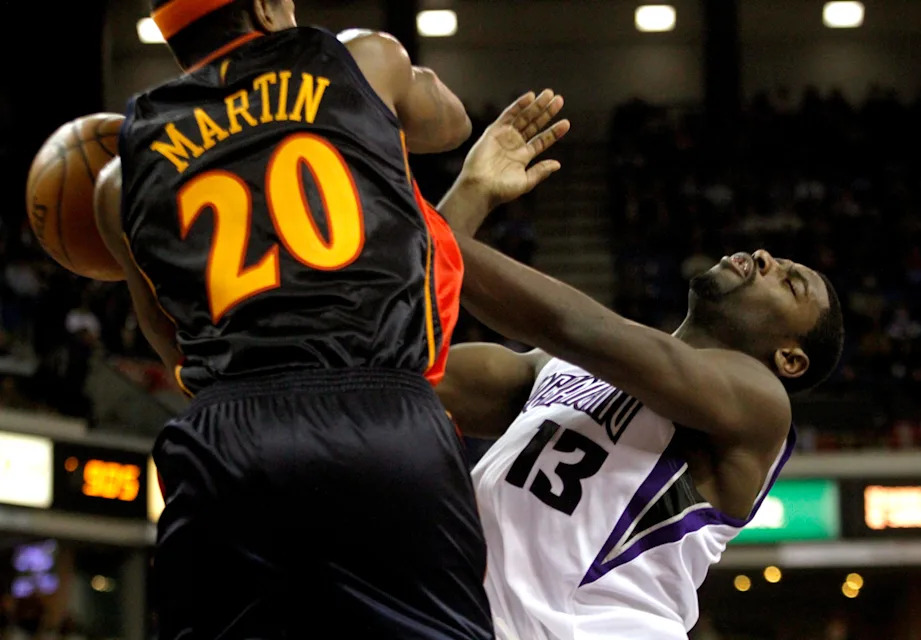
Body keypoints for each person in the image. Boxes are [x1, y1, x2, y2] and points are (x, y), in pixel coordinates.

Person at [92, 0, 569, 637]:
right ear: (265, 7)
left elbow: (174, 348)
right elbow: (448, 125)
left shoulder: (117, 178)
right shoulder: (362, 57)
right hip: (382, 423)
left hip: (225, 438)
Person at [435, 177, 844, 638]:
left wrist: (422, 225)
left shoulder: (761, 403)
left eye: (789, 283)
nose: (766, 257)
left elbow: (570, 324)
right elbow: (407, 371)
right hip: (471, 620)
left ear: (790, 359)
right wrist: (473, 189)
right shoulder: (563, 366)